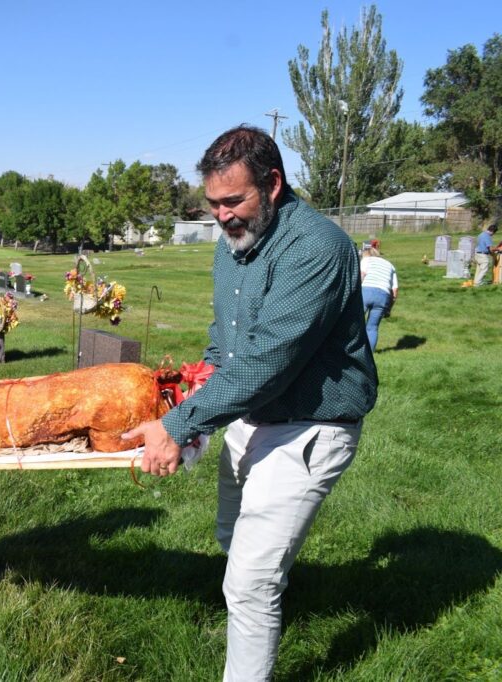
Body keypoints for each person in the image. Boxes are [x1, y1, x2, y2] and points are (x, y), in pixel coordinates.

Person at [123, 125, 378, 681]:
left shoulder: (317, 248)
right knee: (230, 537)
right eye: (212, 203)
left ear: (274, 184)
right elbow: (227, 341)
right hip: (249, 415)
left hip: (310, 428)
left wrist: (177, 422)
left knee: (251, 580)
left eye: (233, 200)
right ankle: (250, 619)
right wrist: (194, 400)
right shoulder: (232, 242)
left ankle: (249, 630)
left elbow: (268, 361)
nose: (221, 215)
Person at [359, 245, 398, 350]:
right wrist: (389, 309)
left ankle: (349, 349)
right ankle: (370, 354)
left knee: (355, 322)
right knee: (372, 327)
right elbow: (394, 291)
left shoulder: (366, 260)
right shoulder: (390, 265)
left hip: (366, 291)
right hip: (383, 296)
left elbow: (361, 275)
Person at [473, 222, 498, 286]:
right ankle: (478, 283)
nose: (493, 234)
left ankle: (475, 282)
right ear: (492, 231)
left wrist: (492, 254)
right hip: (483, 255)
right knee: (484, 269)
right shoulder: (487, 236)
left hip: (476, 254)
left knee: (478, 269)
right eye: (494, 233)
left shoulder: (481, 234)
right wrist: (498, 250)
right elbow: (490, 249)